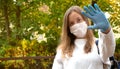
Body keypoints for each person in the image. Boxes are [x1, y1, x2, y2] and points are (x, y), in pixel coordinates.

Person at [52, 4, 116, 69]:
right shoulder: (63, 51)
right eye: (71, 23)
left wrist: (106, 30)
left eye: (79, 20)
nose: (76, 25)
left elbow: (109, 52)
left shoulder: (99, 44)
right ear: (68, 28)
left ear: (85, 20)